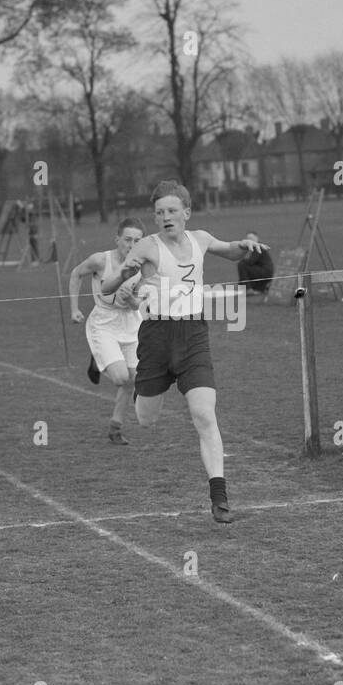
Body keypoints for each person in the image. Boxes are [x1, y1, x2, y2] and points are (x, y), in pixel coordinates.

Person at [100, 180, 269, 524]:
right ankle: (139, 386)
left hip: (193, 335)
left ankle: (219, 498)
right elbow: (106, 287)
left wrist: (246, 245)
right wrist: (125, 274)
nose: (165, 217)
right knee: (146, 420)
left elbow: (231, 250)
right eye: (159, 212)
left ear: (187, 213)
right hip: (156, 339)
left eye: (172, 211)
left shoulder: (201, 239)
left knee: (205, 415)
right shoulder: (147, 246)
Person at [70, 218, 146, 444]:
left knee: (135, 379)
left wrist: (132, 299)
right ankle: (96, 359)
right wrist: (74, 309)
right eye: (127, 239)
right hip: (104, 323)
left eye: (137, 241)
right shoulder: (100, 260)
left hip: (131, 324)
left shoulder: (144, 266)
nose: (131, 245)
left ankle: (115, 428)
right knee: (122, 377)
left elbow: (138, 303)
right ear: (118, 239)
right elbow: (75, 274)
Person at [236, 231, 275, 295]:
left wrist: (242, 259)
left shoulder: (257, 247)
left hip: (265, 272)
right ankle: (258, 289)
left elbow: (250, 261)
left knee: (241, 265)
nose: (249, 240)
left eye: (251, 238)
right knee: (243, 266)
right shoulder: (257, 247)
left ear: (257, 238)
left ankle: (248, 289)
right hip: (264, 271)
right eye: (248, 238)